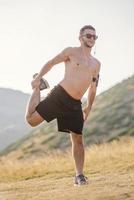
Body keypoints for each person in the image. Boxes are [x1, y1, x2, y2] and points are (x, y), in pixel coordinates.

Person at [25, 25, 101, 186]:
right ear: (80, 37)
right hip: (59, 95)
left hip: (75, 103)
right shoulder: (71, 52)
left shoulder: (96, 64)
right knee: (31, 121)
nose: (91, 39)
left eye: (94, 37)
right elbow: (52, 62)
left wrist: (89, 107)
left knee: (78, 138)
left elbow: (93, 88)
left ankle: (79, 175)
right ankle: (39, 88)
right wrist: (38, 77)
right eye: (88, 36)